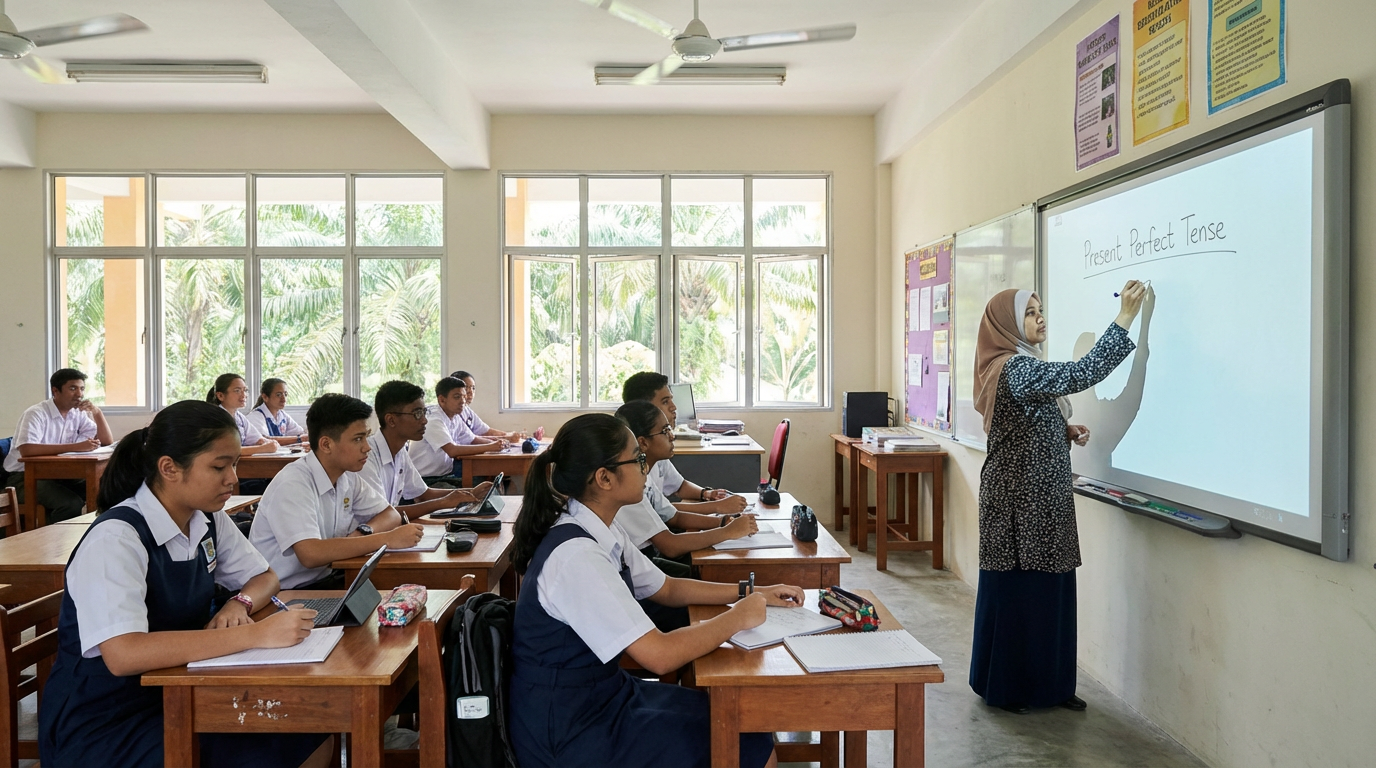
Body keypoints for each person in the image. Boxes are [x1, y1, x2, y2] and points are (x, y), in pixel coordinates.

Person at [37, 400, 329, 768]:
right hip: (105, 722)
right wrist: (256, 634)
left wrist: (239, 603)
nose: (232, 479)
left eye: (235, 464)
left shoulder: (205, 518)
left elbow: (265, 577)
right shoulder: (117, 538)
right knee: (269, 748)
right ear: (169, 468)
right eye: (219, 467)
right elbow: (124, 654)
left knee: (310, 728)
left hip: (176, 692)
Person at [509, 413, 800, 768]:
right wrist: (737, 618)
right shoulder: (577, 555)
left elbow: (668, 588)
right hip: (570, 727)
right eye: (638, 459)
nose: (646, 469)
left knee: (743, 721)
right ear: (604, 478)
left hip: (605, 696)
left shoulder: (600, 528)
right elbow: (659, 656)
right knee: (745, 740)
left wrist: (753, 592)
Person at [968, 281, 1148, 714]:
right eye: (1029, 313)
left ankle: (1051, 686)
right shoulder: (1014, 367)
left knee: (1052, 594)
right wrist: (1126, 318)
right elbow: (1081, 374)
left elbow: (1023, 419)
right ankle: (1008, 689)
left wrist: (1061, 429)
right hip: (1018, 505)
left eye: (1040, 309)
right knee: (1019, 596)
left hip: (1044, 502)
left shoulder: (1023, 366)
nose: (1040, 318)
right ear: (1008, 325)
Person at [249, 394, 425, 590]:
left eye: (366, 437)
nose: (367, 447)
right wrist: (387, 539)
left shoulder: (346, 477)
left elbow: (390, 514)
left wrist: (362, 533)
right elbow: (310, 554)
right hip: (284, 593)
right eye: (358, 439)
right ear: (326, 445)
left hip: (327, 579)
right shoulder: (294, 483)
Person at [614, 400, 760, 576]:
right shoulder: (628, 489)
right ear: (643, 443)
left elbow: (673, 516)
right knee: (708, 573)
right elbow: (670, 546)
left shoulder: (644, 475)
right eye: (665, 431)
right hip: (638, 562)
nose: (672, 436)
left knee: (706, 567)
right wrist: (726, 531)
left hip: (650, 554)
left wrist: (723, 522)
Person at [360, 380, 494, 519]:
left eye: (424, 412)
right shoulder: (366, 457)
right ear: (391, 420)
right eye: (417, 414)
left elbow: (424, 494)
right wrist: (443, 502)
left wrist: (472, 492)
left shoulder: (399, 452)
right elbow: (381, 514)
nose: (424, 420)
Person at [621, 372, 748, 515]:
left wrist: (706, 494)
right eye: (665, 402)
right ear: (643, 409)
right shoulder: (631, 467)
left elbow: (678, 486)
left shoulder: (657, 451)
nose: (674, 407)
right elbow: (662, 511)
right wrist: (717, 508)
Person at [3, 368, 114, 523]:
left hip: (58, 474)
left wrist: (97, 413)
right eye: (73, 388)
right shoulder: (36, 413)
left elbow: (107, 441)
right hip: (24, 477)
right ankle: (47, 537)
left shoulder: (77, 413)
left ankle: (90, 534)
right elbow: (27, 450)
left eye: (82, 389)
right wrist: (75, 446)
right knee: (70, 504)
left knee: (105, 490)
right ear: (55, 391)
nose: (79, 394)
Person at [406, 377, 508, 487]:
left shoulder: (455, 416)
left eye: (464, 396)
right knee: (470, 492)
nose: (463, 401)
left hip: (445, 475)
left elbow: (473, 439)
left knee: (484, 483)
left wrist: (500, 444)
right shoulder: (433, 419)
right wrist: (490, 447)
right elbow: (452, 450)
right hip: (425, 480)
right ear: (442, 400)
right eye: (457, 397)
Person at [206, 374, 280, 457]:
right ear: (220, 396)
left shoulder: (239, 417)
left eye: (245, 390)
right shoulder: (215, 418)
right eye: (237, 391)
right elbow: (224, 451)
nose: (244, 395)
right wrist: (262, 449)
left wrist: (268, 442)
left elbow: (257, 438)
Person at [447, 370, 520, 440]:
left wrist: (507, 435)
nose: (471, 392)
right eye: (466, 388)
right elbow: (471, 439)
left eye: (473, 388)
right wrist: (505, 438)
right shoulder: (452, 413)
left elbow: (485, 430)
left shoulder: (467, 411)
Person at [248, 378, 308, 447]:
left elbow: (300, 433)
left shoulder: (282, 415)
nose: (284, 399)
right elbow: (263, 441)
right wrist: (299, 439)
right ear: (265, 397)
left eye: (285, 394)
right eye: (278, 395)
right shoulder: (255, 416)